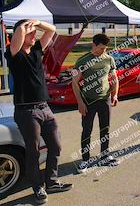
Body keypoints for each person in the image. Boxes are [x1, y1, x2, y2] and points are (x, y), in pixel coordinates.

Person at [5, 19, 73, 204]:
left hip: (45, 107)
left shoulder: (36, 50)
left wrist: (38, 23)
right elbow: (19, 33)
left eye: (34, 32)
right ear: (20, 34)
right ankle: (38, 187)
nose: (34, 34)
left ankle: (51, 181)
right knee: (33, 151)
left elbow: (51, 31)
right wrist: (23, 26)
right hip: (26, 111)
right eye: (30, 32)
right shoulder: (14, 54)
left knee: (56, 145)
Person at [72, 34, 120, 173]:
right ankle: (85, 160)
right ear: (94, 45)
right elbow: (74, 83)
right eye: (101, 48)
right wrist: (80, 103)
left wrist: (114, 94)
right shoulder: (82, 61)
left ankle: (104, 156)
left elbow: (114, 78)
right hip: (88, 101)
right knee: (87, 130)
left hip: (104, 100)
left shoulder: (109, 59)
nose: (103, 51)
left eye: (105, 48)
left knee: (105, 129)